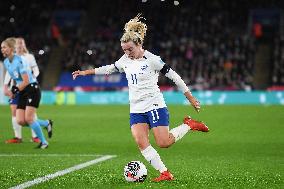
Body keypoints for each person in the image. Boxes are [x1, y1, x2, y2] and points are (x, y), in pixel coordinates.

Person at [72, 14, 209, 181]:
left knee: (163, 142)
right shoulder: (125, 59)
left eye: (130, 49)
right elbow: (109, 68)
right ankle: (165, 173)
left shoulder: (153, 60)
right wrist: (85, 72)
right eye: (124, 50)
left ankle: (189, 124)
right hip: (136, 108)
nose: (127, 53)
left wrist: (190, 98)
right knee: (141, 143)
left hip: (154, 105)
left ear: (139, 44)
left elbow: (175, 77)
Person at [1, 37, 52, 149]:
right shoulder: (6, 62)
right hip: (23, 90)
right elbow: (14, 78)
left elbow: (26, 80)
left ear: (10, 48)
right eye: (1, 48)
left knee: (29, 118)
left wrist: (15, 90)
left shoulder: (20, 61)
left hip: (32, 89)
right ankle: (46, 123)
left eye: (4, 47)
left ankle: (44, 142)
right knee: (20, 121)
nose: (2, 49)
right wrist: (8, 88)